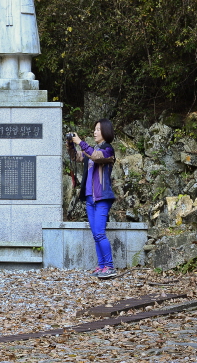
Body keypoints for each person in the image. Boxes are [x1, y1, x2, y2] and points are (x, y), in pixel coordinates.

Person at [71, 119, 117, 279]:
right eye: (95, 129)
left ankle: (110, 267)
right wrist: (71, 144)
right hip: (90, 197)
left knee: (99, 233)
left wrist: (81, 142)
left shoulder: (107, 150)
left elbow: (96, 157)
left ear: (105, 131)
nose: (95, 132)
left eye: (98, 129)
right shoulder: (92, 150)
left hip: (102, 197)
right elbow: (75, 157)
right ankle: (101, 265)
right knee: (95, 233)